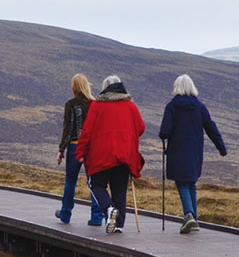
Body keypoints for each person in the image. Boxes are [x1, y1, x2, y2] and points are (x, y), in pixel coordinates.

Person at [76, 75, 145, 234]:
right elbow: (141, 127)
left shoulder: (98, 105)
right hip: (124, 155)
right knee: (119, 189)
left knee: (96, 184)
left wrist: (80, 152)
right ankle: (118, 225)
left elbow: (87, 131)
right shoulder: (131, 106)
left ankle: (108, 209)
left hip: (101, 155)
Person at [159, 74, 228, 234]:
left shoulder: (172, 107)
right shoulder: (200, 107)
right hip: (195, 151)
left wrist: (163, 135)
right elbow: (211, 127)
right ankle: (194, 221)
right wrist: (221, 147)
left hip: (177, 151)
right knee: (191, 183)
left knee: (182, 183)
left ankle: (188, 215)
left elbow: (165, 132)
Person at [55, 74, 105, 226]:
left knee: (70, 181)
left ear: (74, 87)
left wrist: (61, 149)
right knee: (94, 182)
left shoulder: (71, 104)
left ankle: (65, 214)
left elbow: (68, 128)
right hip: (92, 148)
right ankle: (97, 217)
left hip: (75, 146)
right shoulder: (95, 104)